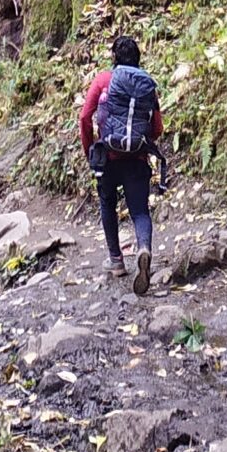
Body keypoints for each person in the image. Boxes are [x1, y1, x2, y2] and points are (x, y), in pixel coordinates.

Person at [79, 33, 164, 293]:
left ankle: (116, 261)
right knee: (139, 210)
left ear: (114, 58)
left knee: (107, 203)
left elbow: (84, 117)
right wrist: (139, 143)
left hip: (108, 157)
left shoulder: (104, 80)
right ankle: (144, 248)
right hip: (136, 158)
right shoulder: (146, 84)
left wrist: (90, 149)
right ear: (137, 59)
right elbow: (157, 128)